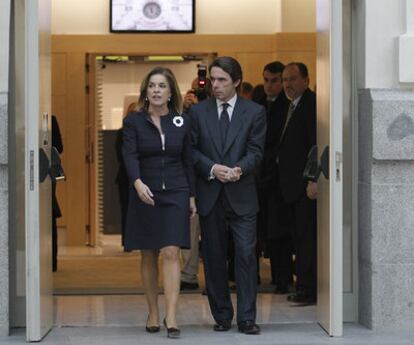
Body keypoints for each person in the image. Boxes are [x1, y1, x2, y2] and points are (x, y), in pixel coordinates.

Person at [190, 56, 266, 335]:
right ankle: (222, 315)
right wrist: (212, 168)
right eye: (213, 80)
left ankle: (247, 318)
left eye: (222, 80)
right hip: (210, 194)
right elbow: (192, 150)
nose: (216, 85)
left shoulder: (254, 112)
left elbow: (256, 151)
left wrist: (238, 169)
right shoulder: (198, 112)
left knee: (246, 255)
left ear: (236, 81)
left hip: (242, 193)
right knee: (213, 256)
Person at [122, 67, 196, 338]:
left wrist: (191, 195)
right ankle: (153, 311)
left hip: (176, 190)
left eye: (161, 86)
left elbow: (187, 160)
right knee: (149, 253)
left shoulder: (182, 121)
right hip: (145, 191)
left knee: (172, 252)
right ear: (145, 91)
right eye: (151, 85)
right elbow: (129, 155)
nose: (156, 90)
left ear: (170, 92)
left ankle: (172, 316)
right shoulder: (134, 122)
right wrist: (137, 182)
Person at [277, 62, 317, 305]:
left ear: (306, 80)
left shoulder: (311, 105)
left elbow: (315, 144)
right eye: (285, 80)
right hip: (289, 186)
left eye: (292, 79)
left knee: (306, 238)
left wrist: (313, 178)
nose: (287, 84)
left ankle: (308, 288)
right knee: (297, 237)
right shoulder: (290, 106)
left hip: (305, 186)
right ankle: (303, 283)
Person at [258, 61, 293, 294]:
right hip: (259, 175)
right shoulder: (257, 104)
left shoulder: (288, 106)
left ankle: (282, 277)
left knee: (279, 231)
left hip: (279, 177)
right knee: (260, 229)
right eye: (266, 80)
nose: (270, 85)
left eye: (274, 81)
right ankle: (258, 277)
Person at [180, 77, 212, 291]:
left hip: (211, 178)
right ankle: (187, 275)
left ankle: (214, 279)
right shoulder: (185, 113)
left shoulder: (215, 111)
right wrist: (185, 111)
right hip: (190, 179)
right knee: (189, 229)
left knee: (213, 233)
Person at [116, 102, 137, 251]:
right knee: (127, 210)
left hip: (144, 177)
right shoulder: (122, 133)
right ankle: (127, 242)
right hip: (125, 177)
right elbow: (120, 156)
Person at [52, 115, 63, 272]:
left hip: (48, 173)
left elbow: (59, 147)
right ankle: (52, 260)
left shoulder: (51, 120)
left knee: (49, 213)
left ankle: (52, 260)